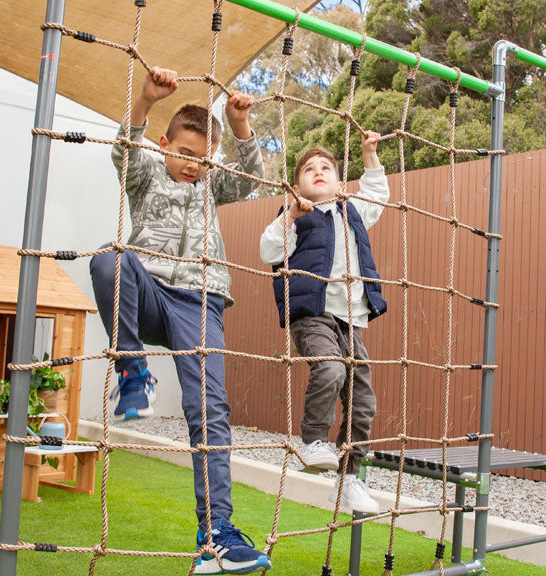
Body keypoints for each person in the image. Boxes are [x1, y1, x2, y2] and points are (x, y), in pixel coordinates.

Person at [90, 66, 270, 574]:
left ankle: (216, 532)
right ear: (165, 144)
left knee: (209, 409)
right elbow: (123, 148)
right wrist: (145, 101)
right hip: (145, 293)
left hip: (199, 301)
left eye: (201, 158)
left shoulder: (214, 186)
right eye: (184, 153)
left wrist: (238, 126)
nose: (192, 165)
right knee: (109, 257)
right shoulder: (146, 173)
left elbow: (253, 178)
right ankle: (132, 373)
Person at [258, 131, 389, 513]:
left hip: (351, 320)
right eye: (309, 169)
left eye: (326, 168)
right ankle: (313, 439)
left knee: (363, 402)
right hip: (313, 314)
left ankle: (350, 480)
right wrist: (290, 218)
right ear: (297, 184)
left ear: (338, 180)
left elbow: (377, 195)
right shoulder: (295, 216)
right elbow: (268, 251)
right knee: (330, 370)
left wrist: (369, 155)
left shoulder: (353, 212)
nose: (318, 172)